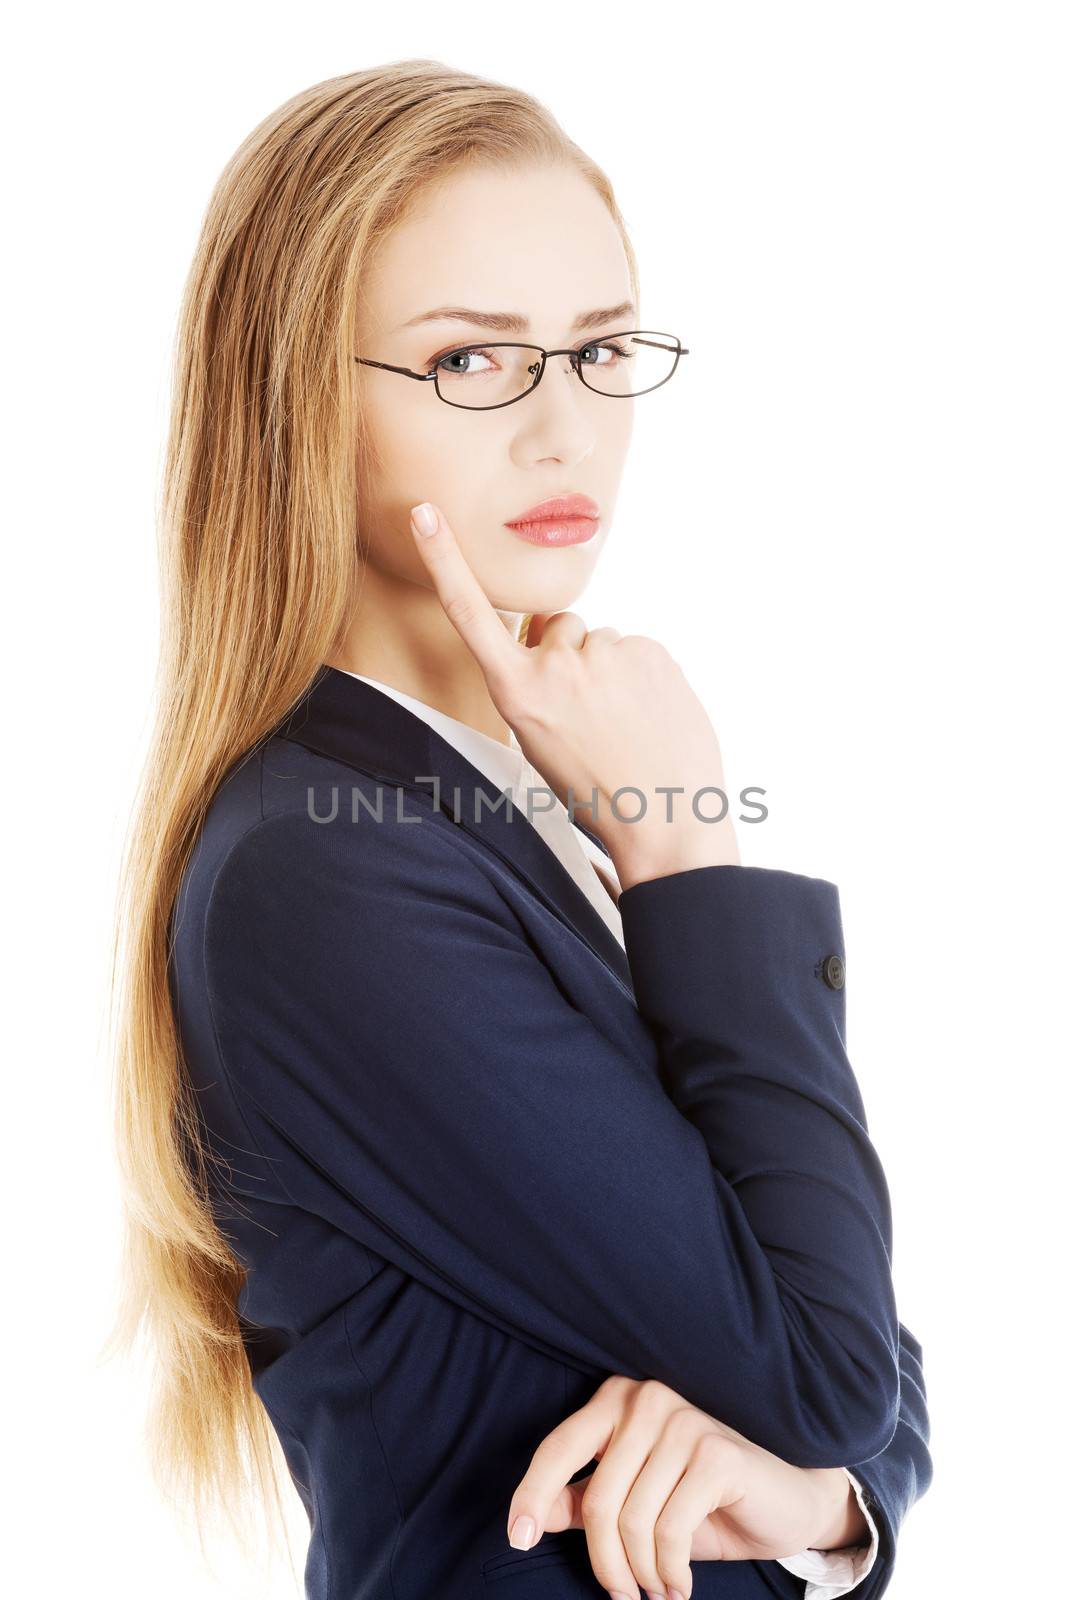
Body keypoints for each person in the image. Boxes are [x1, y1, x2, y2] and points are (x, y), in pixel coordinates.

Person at [108, 61, 932, 1600]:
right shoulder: (325, 870)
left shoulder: (505, 799)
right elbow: (834, 1370)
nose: (568, 431)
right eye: (476, 360)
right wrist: (687, 847)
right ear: (298, 395)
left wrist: (822, 1512)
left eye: (601, 347)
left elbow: (873, 1371)